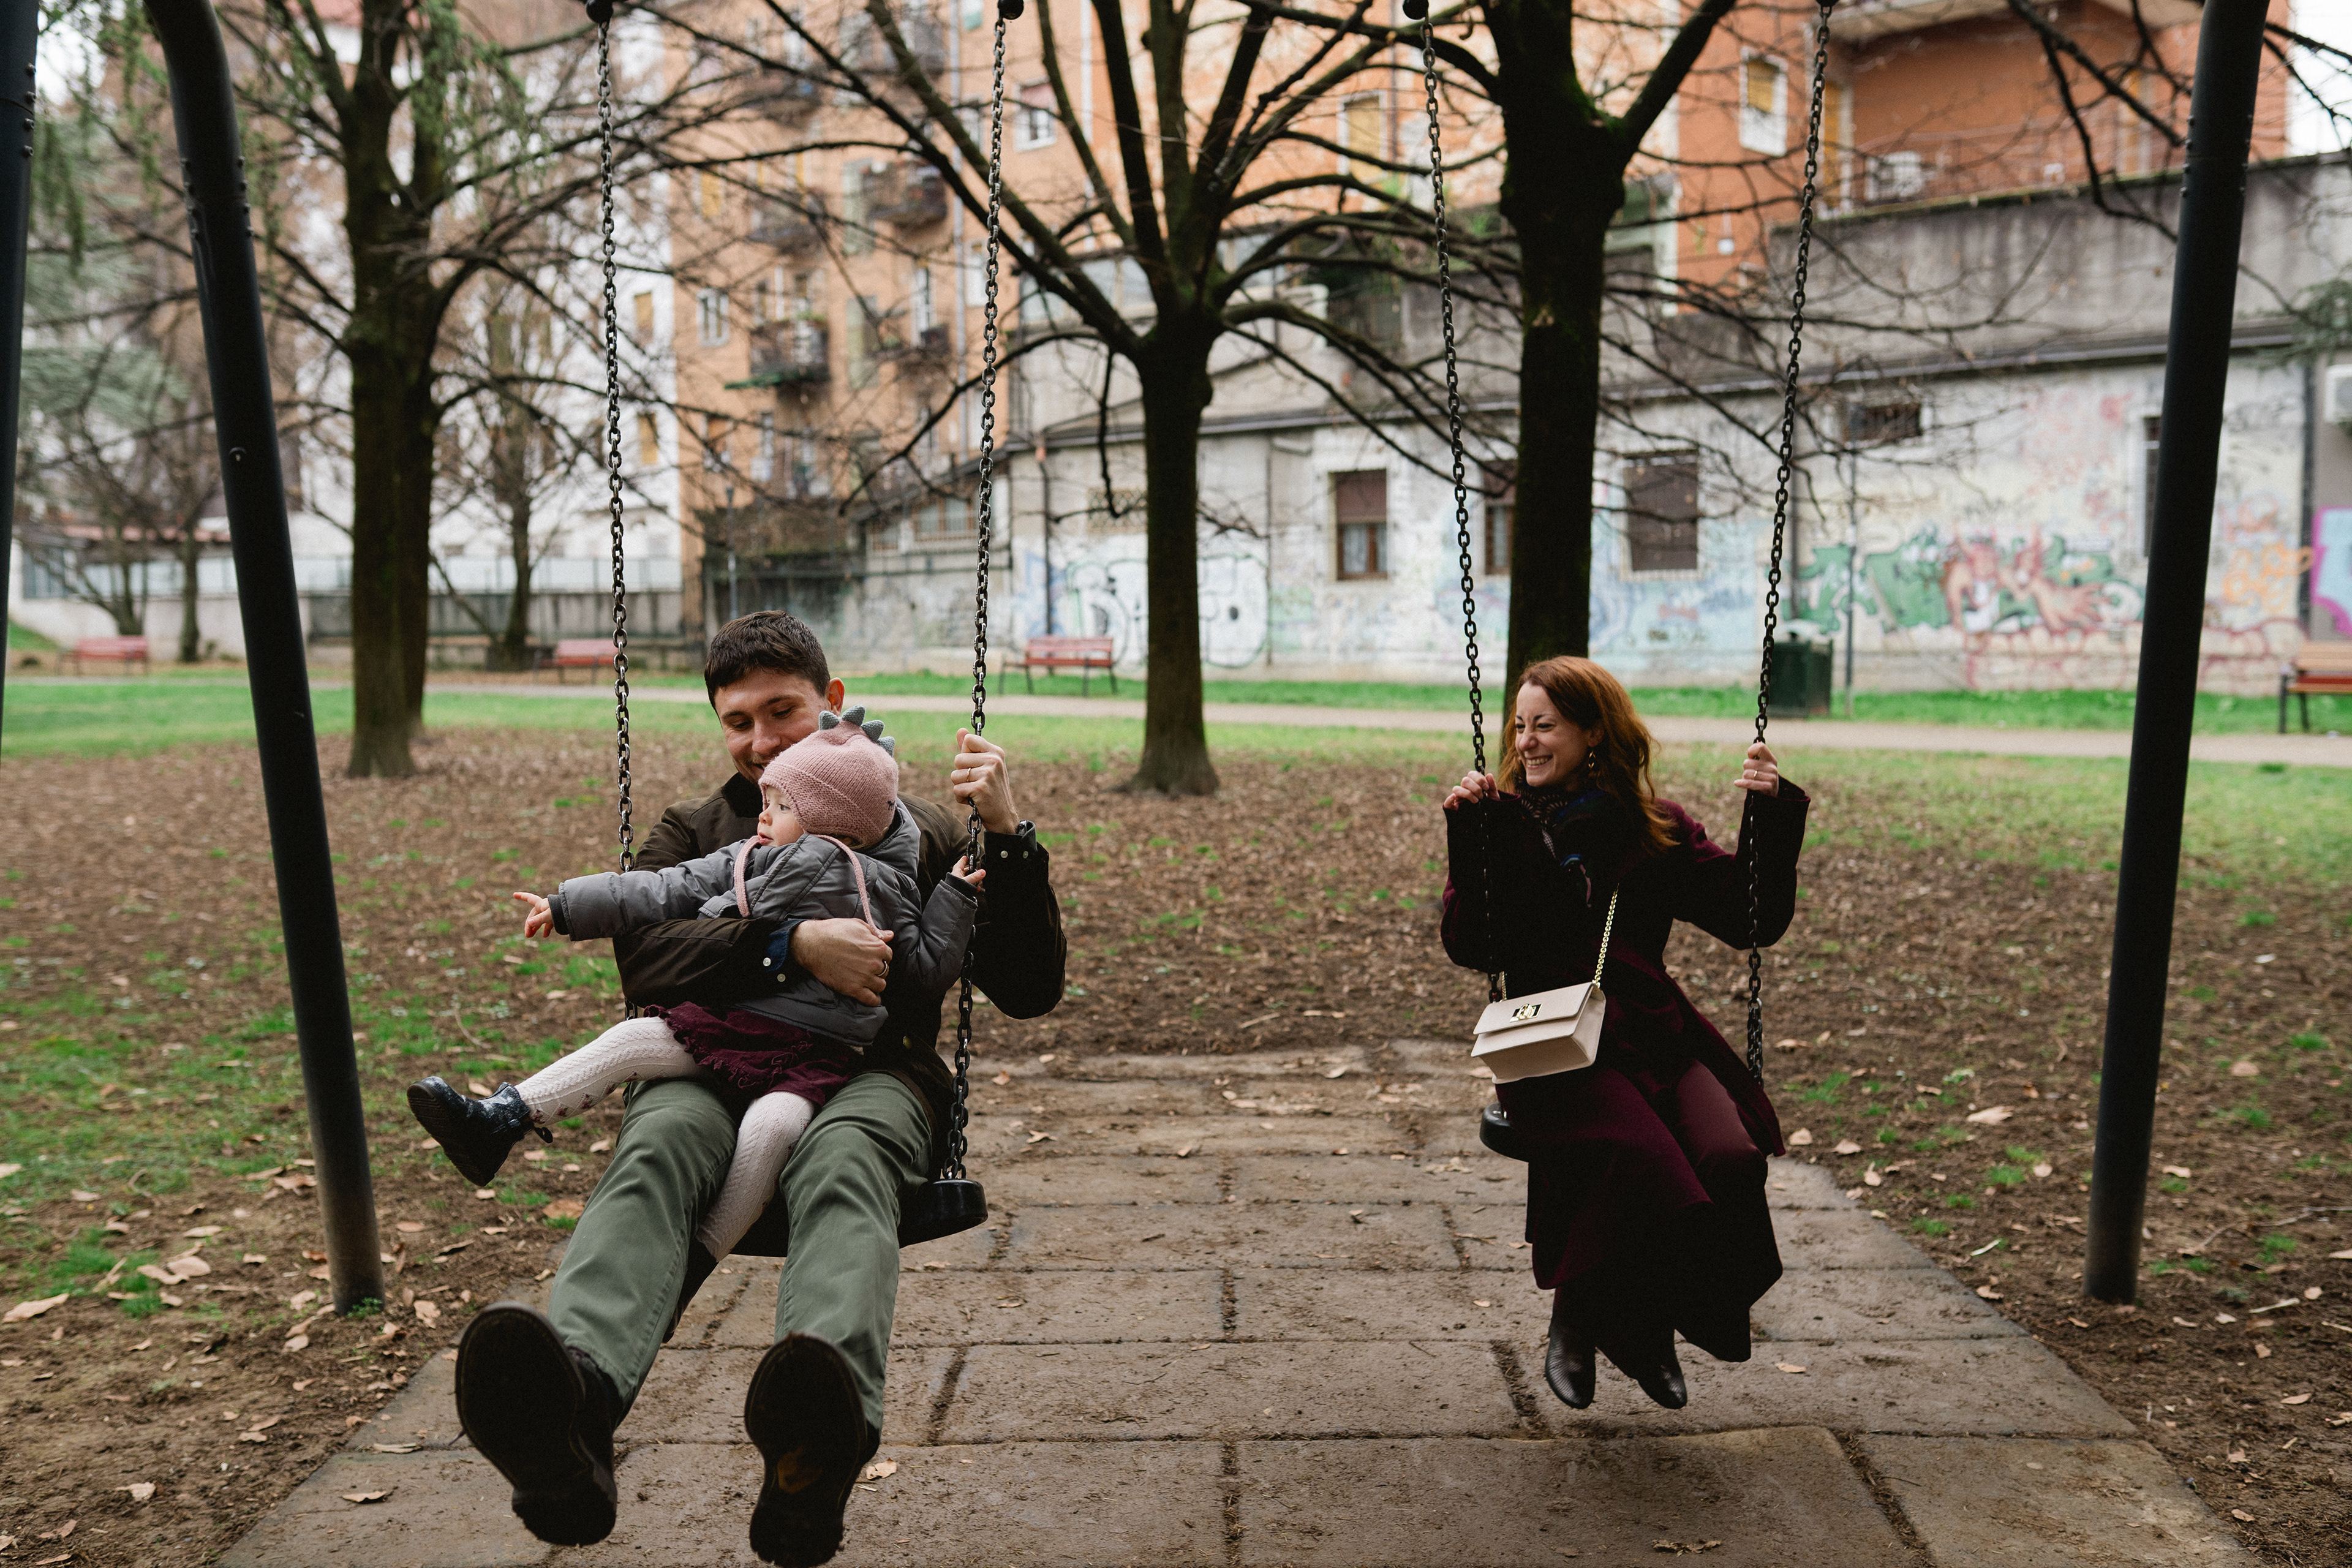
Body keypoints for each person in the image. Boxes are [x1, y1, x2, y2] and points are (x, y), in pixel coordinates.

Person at [451, 612, 1066, 1567]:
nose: (760, 739)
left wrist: (1005, 834)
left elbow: (1026, 989)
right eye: (737, 722)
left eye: (781, 711)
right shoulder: (695, 829)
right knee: (658, 1147)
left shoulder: (920, 827)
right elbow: (650, 955)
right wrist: (788, 946)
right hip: (710, 1061)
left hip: (869, 1075)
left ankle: (815, 1449)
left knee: (847, 1164)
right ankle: (573, 1409)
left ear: (831, 701)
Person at [405, 708, 985, 1276]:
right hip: (732, 1027)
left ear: (834, 822)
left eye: (782, 807)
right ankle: (499, 1120)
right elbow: (664, 889)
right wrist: (566, 906)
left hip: (818, 1055)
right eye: (765, 801)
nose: (763, 817)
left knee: (772, 1131)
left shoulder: (888, 888)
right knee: (631, 1039)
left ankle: (696, 1264)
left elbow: (925, 967)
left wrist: (954, 900)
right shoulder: (746, 860)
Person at [1440, 655, 1807, 1412]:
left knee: (1730, 1157)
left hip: (1651, 1034)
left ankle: (1620, 1314)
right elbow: (1474, 944)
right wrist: (1471, 834)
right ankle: (1614, 1327)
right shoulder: (1505, 821)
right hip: (1554, 1048)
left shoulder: (1654, 827)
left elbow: (1749, 918)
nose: (1528, 740)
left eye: (1546, 725)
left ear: (1593, 733)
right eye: (1520, 725)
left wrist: (1770, 811)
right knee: (1645, 1162)